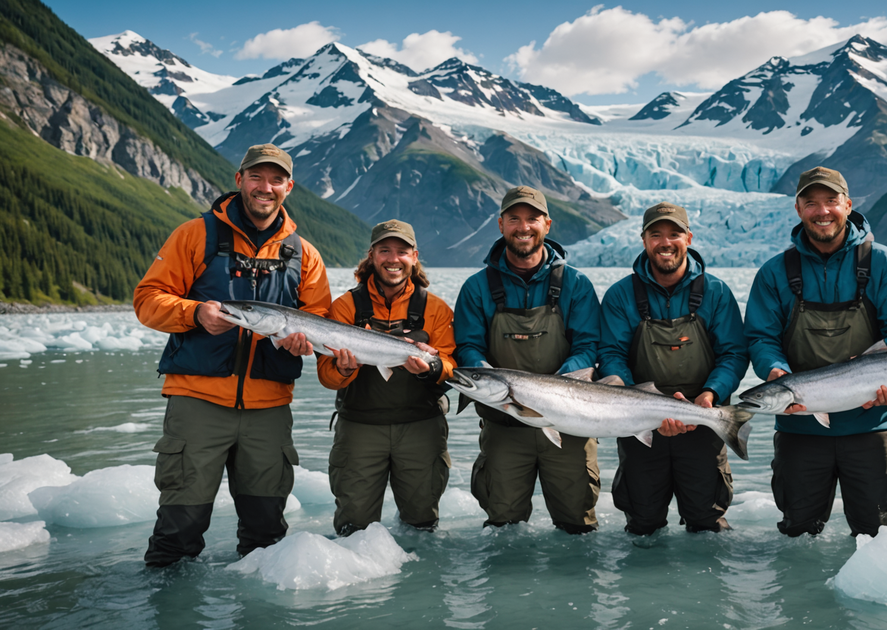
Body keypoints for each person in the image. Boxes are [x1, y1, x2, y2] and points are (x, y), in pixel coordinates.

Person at [134, 144, 331, 566]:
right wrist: (194, 312)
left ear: (288, 187)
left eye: (276, 179)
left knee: (266, 536)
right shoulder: (194, 234)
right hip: (197, 403)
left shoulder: (304, 255)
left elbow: (319, 319)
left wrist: (303, 342)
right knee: (177, 533)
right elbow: (147, 300)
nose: (266, 188)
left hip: (269, 409)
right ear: (239, 180)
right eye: (256, 177)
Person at [744, 166, 887, 538]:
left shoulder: (883, 262)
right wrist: (774, 371)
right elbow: (761, 338)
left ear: (848, 205)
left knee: (878, 537)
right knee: (798, 535)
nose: (822, 211)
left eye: (831, 201)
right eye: (811, 203)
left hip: (874, 424)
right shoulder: (775, 272)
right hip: (799, 429)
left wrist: (886, 377)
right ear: (798, 209)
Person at [454, 186, 602, 534]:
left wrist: (556, 386)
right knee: (503, 529)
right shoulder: (477, 288)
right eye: (514, 219)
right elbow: (467, 348)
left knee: (577, 527)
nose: (524, 227)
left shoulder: (575, 284)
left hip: (569, 424)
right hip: (503, 426)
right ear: (501, 224)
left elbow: (589, 346)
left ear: (547, 224)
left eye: (532, 218)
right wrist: (485, 373)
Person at [597, 202, 749, 535]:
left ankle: (706, 586)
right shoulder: (620, 295)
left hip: (702, 423)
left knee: (707, 522)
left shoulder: (716, 293)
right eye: (656, 234)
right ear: (644, 240)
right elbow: (610, 355)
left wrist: (711, 393)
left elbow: (734, 354)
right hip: (638, 422)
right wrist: (632, 399)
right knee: (642, 523)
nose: (666, 242)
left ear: (689, 238)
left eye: (674, 233)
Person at [317, 220, 456, 535]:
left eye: (402, 251)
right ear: (371, 255)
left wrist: (432, 367)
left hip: (421, 428)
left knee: (422, 523)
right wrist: (343, 369)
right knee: (353, 528)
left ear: (415, 256)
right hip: (359, 430)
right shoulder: (345, 307)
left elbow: (450, 365)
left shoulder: (436, 308)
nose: (393, 259)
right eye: (384, 250)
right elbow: (326, 376)